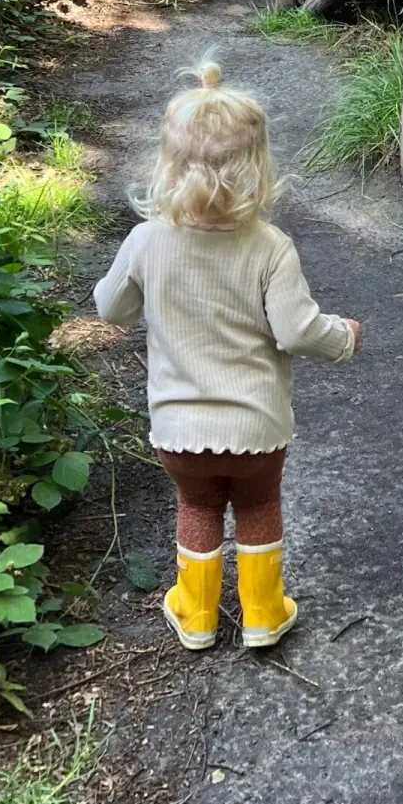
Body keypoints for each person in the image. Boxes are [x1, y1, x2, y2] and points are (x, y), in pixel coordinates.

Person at [93, 62, 358, 649]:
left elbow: (112, 309)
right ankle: (263, 611)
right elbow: (297, 331)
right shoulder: (269, 247)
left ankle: (196, 614)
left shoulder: (146, 240)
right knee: (258, 504)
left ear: (167, 163)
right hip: (257, 428)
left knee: (197, 506)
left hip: (178, 430)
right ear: (257, 166)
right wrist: (343, 336)